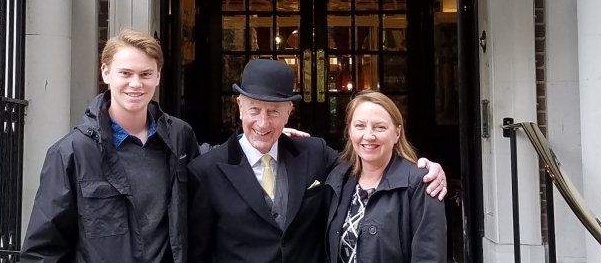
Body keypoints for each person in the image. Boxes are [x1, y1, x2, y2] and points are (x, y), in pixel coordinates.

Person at [187, 59, 446, 263]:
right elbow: (198, 253)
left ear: (289, 112)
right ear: (239, 106)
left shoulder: (314, 153)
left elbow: (370, 162)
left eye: (274, 111)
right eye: (254, 109)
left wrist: (424, 169)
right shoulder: (205, 171)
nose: (263, 123)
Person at [21, 29, 201, 263]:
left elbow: (200, 223)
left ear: (158, 76)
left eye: (146, 74)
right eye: (125, 73)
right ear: (106, 72)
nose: (135, 84)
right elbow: (43, 252)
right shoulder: (71, 152)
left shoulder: (180, 138)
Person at [325, 91, 446, 263]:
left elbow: (429, 256)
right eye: (359, 126)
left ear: (397, 133)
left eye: (379, 127)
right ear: (349, 130)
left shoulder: (421, 183)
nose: (368, 136)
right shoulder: (339, 177)